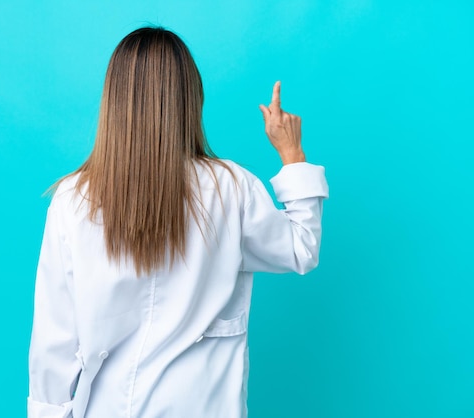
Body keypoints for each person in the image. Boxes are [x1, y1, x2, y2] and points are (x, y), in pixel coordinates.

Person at [27, 27, 329, 418]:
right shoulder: (229, 187)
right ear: (191, 97)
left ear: (113, 100)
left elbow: (55, 340)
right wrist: (293, 155)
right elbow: (301, 249)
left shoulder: (73, 199)